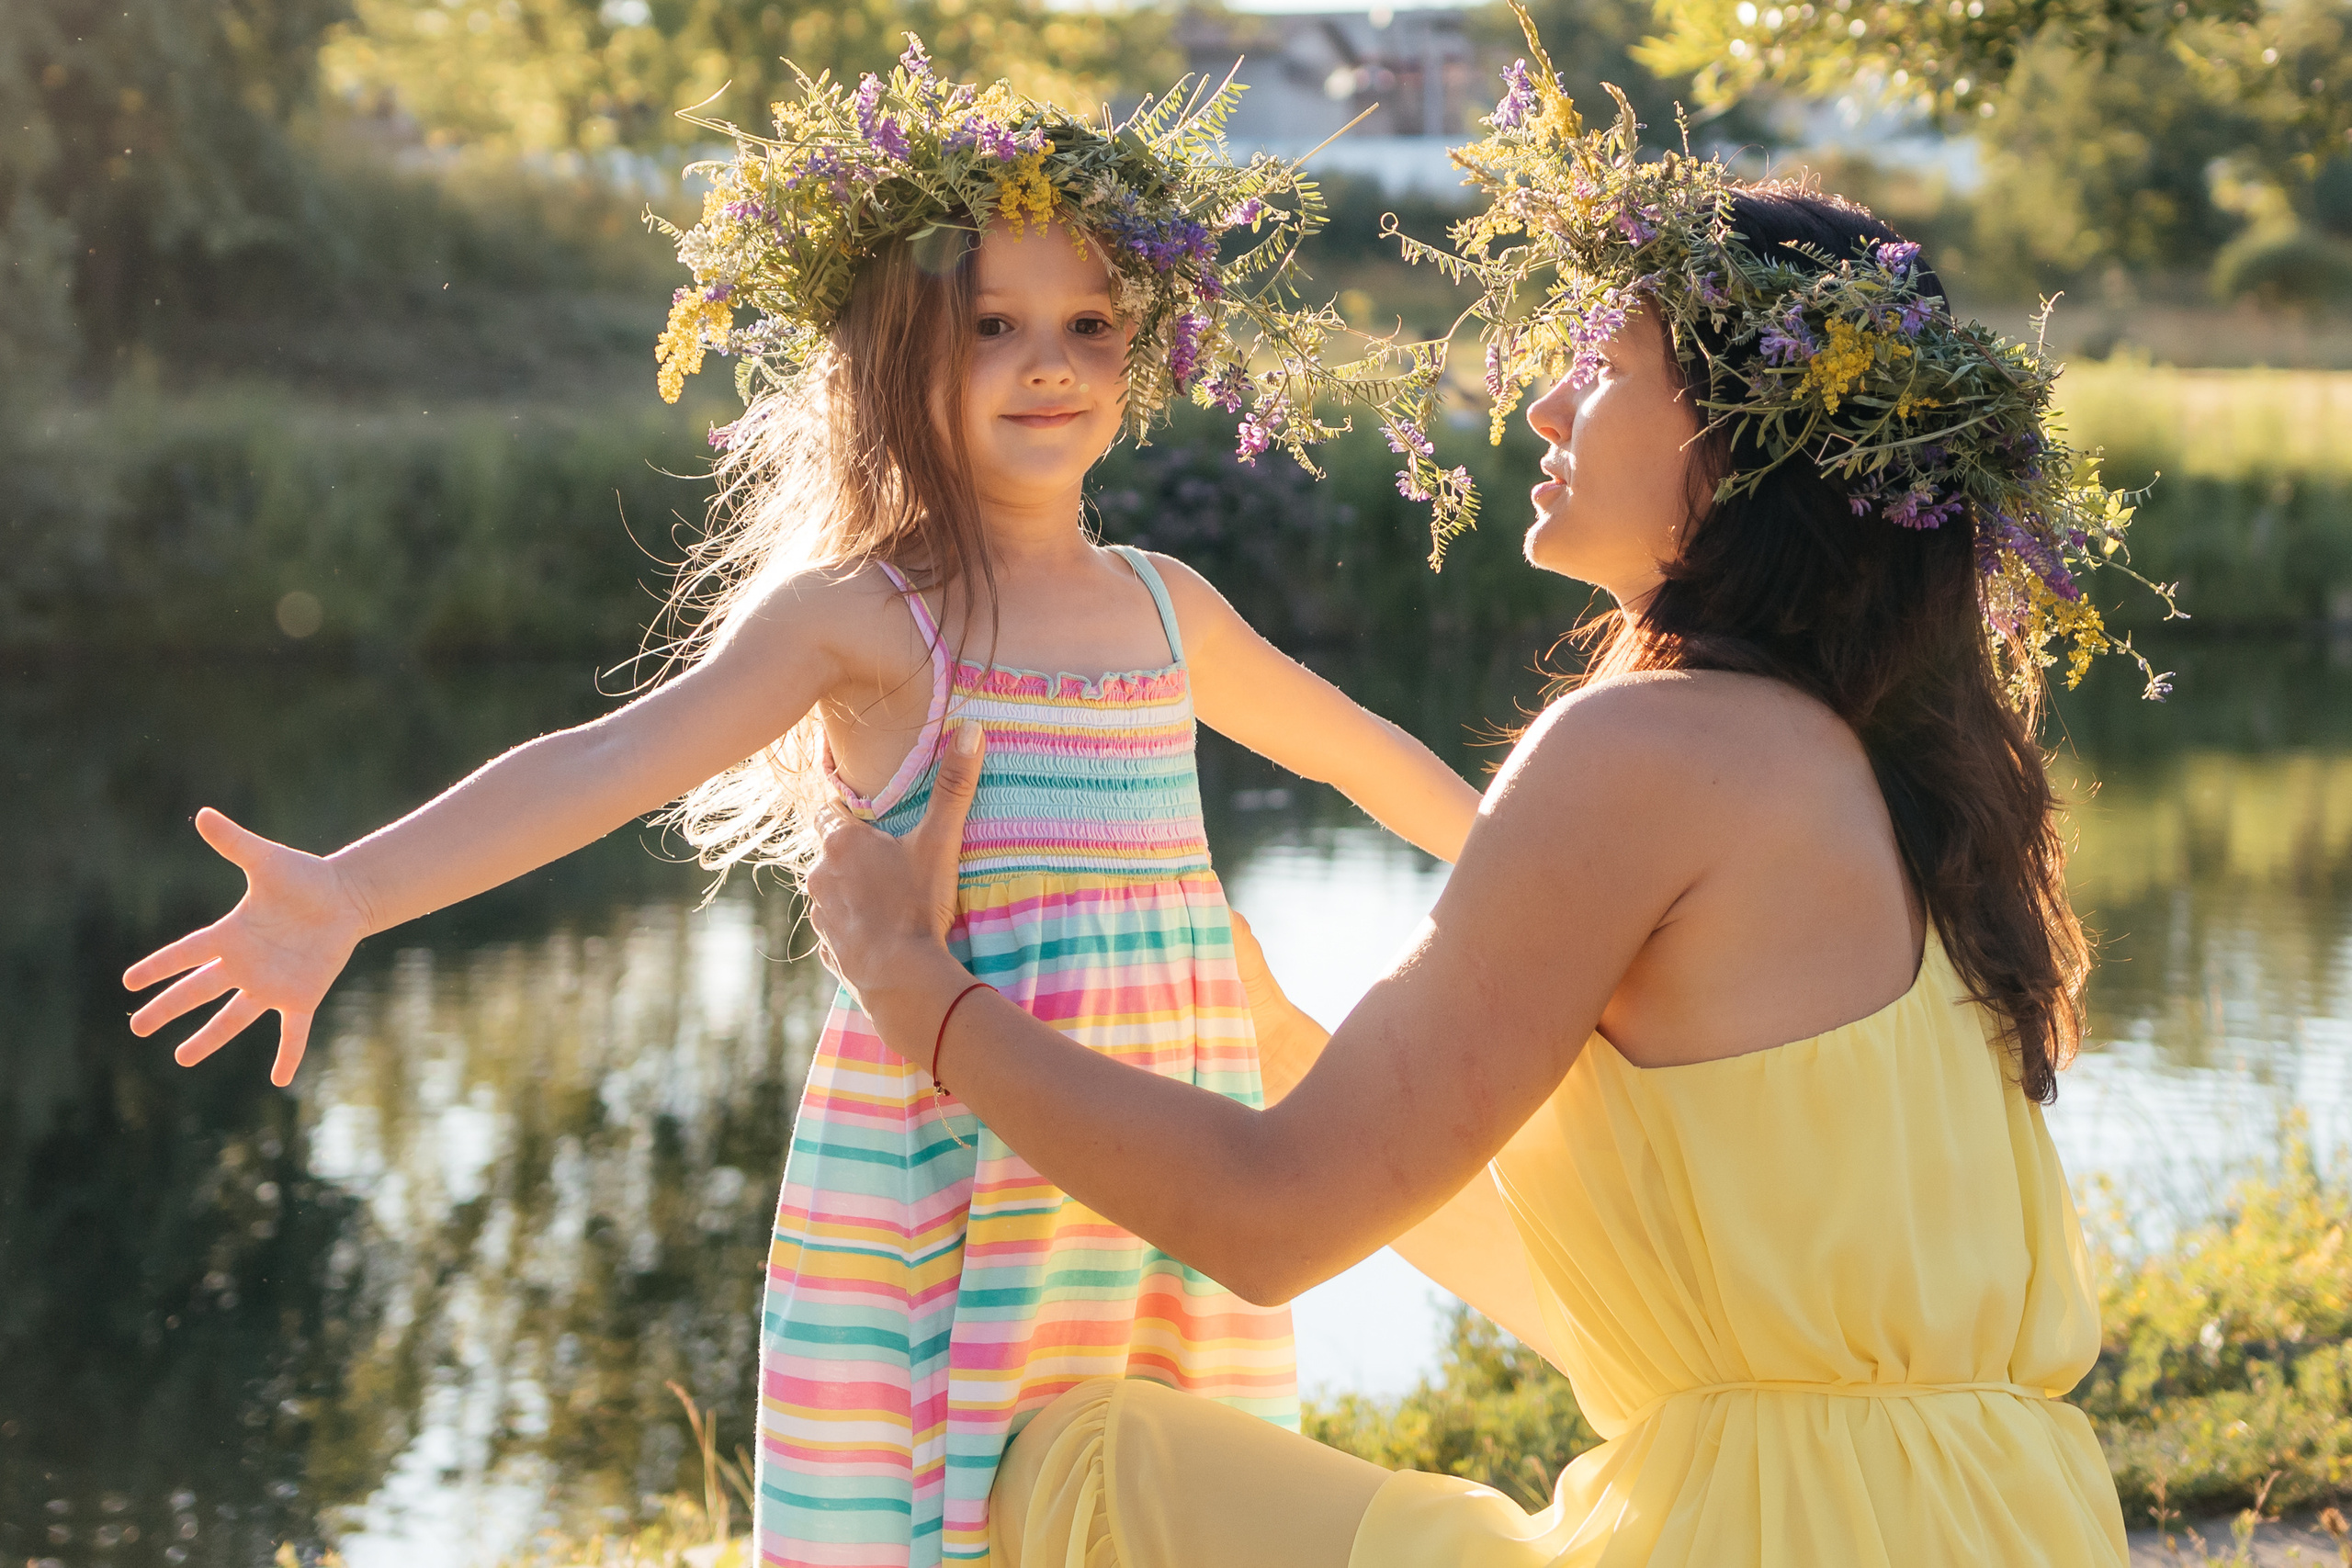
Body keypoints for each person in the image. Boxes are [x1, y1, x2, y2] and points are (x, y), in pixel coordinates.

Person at [797, 36, 2166, 1568]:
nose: (1542, 409)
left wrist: (915, 988)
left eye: (1606, 369)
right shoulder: (1892, 766)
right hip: (2009, 1528)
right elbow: (1596, 1303)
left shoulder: (1649, 752)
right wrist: (1278, 1042)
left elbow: (1265, 1227)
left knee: (1085, 1470)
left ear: (1735, 442)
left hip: (1755, 1540)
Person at [119, 46, 1480, 1568]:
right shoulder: (865, 620)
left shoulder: (1171, 609)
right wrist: (351, 892)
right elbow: (597, 761)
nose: (1051, 362)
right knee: (954, 1522)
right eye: (994, 327)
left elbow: (1361, 754)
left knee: (1164, 1514)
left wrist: (1538, 885)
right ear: (901, 354)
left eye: (1091, 325)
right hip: (961, 1168)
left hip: (1167, 1153)